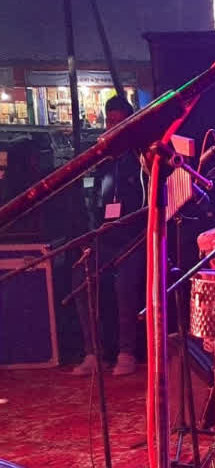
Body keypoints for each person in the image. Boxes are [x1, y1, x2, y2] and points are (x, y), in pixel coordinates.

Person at [72, 95, 145, 376]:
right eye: (109, 121)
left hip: (133, 238)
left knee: (124, 286)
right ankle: (94, 353)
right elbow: (94, 199)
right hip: (105, 238)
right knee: (81, 279)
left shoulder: (140, 157)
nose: (112, 126)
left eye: (118, 121)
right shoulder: (102, 159)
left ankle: (126, 352)